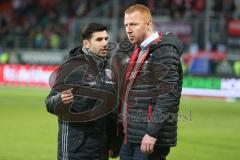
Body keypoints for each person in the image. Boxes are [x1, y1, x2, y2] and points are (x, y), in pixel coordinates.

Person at [118, 4, 183, 160]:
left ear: (148, 24)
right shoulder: (139, 51)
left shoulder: (164, 50)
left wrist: (152, 132)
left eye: (133, 24)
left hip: (147, 138)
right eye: (126, 25)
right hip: (130, 136)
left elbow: (168, 95)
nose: (128, 29)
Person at [45, 23, 119, 160]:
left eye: (106, 39)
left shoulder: (109, 70)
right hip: (76, 149)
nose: (105, 43)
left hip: (101, 149)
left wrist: (114, 142)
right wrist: (60, 99)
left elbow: (112, 111)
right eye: (99, 39)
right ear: (86, 43)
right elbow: (49, 102)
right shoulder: (72, 67)